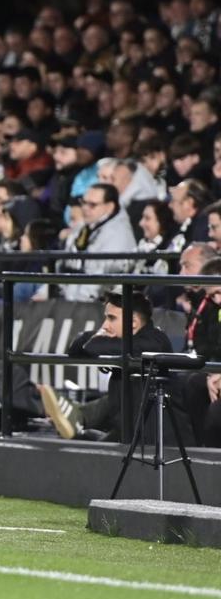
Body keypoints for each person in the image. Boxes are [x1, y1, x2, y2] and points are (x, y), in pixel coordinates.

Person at [38, 292, 172, 441]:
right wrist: (96, 338)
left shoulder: (155, 341)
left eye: (111, 318)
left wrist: (96, 339)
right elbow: (76, 347)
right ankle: (76, 416)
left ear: (133, 322)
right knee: (80, 440)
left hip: (156, 438)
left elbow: (95, 346)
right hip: (128, 428)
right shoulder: (124, 340)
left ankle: (78, 416)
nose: (104, 325)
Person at [60, 183, 138, 302]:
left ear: (110, 207)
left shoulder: (119, 235)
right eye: (84, 202)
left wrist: (77, 303)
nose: (85, 208)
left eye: (92, 205)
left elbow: (101, 281)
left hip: (97, 306)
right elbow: (65, 266)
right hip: (71, 300)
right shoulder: (85, 228)